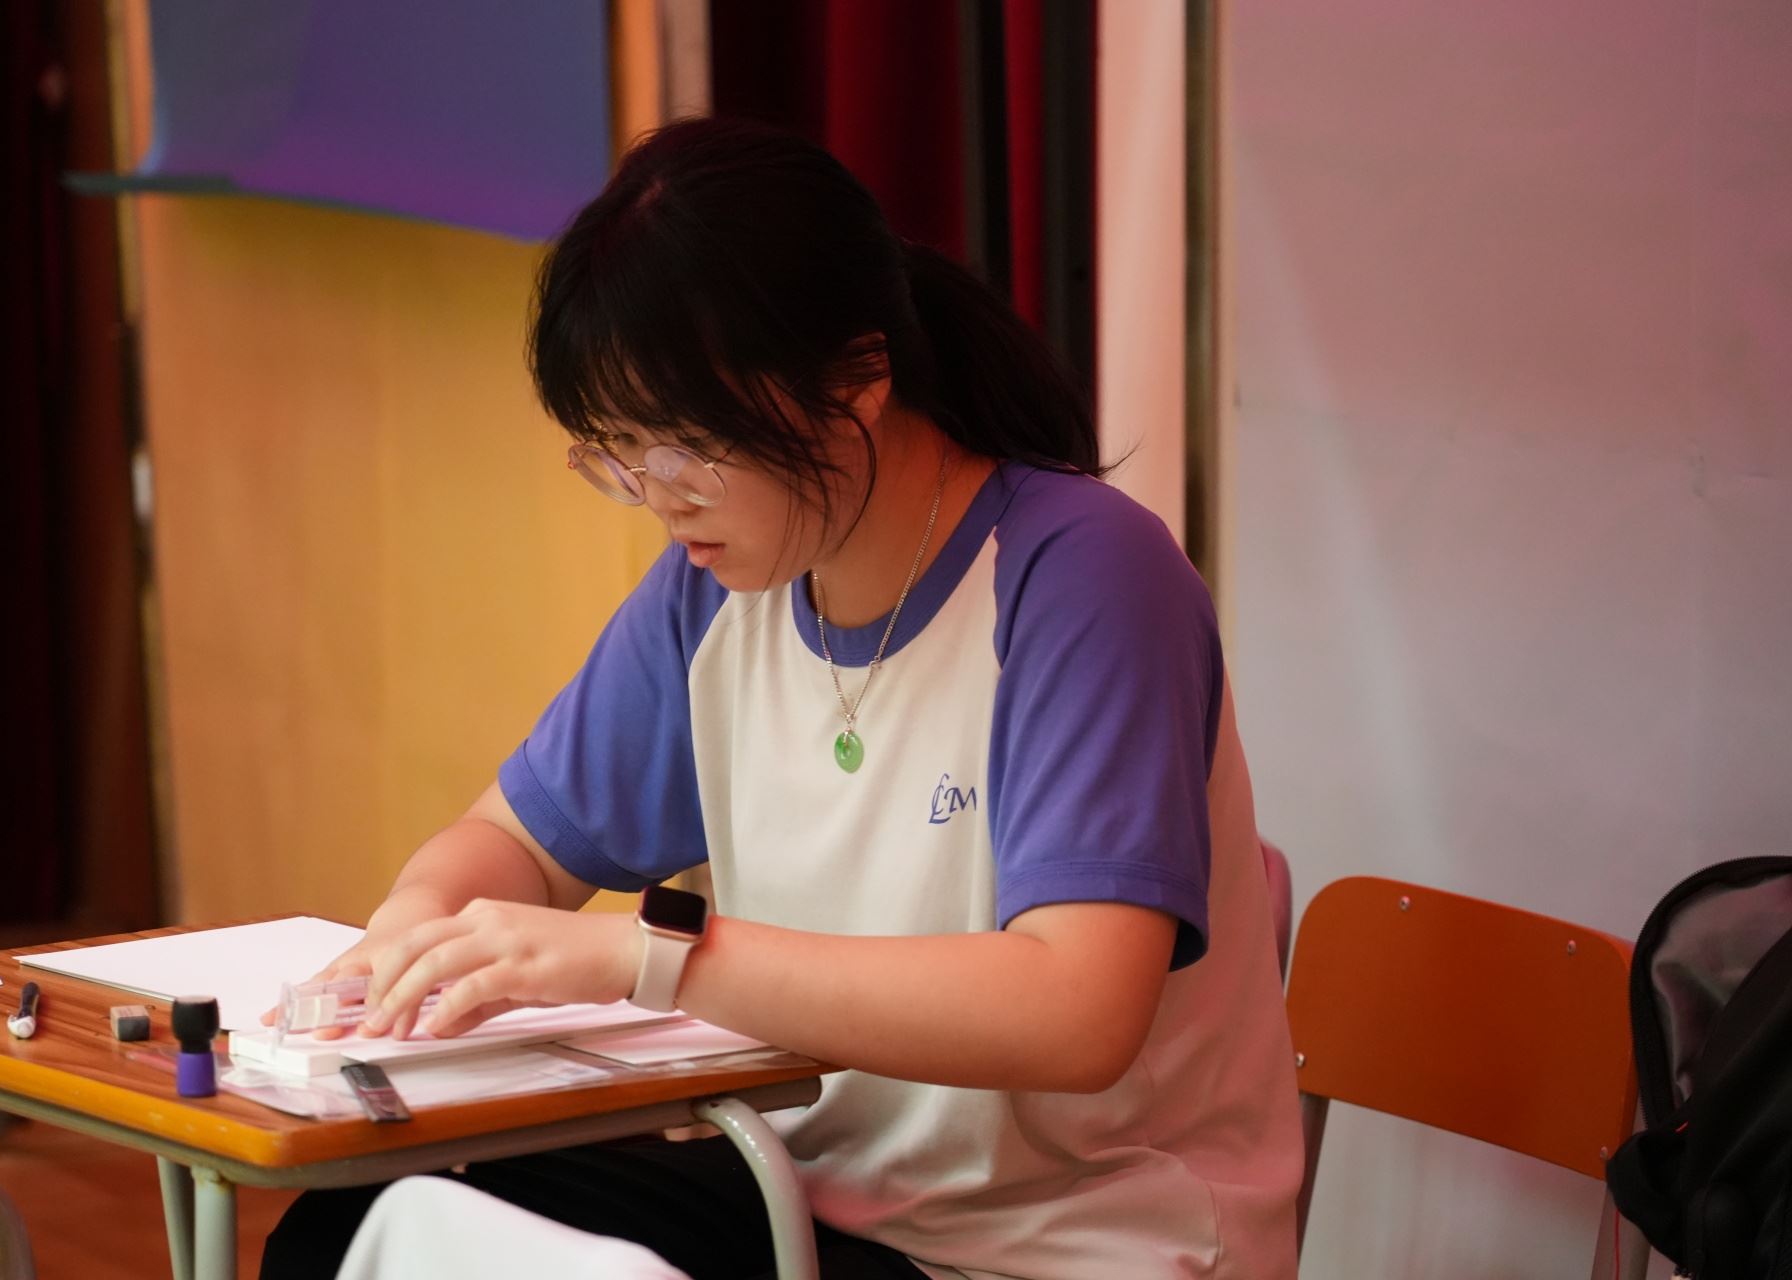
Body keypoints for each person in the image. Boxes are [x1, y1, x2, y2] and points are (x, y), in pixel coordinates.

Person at [261, 116, 1301, 1280]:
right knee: (350, 1222)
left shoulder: (1085, 578)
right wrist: (410, 935)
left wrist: (644, 957)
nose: (659, 496)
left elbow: (1076, 1009)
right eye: (620, 450)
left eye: (687, 445)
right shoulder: (717, 589)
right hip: (806, 1198)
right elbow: (515, 844)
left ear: (855, 380)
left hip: (1063, 1246)